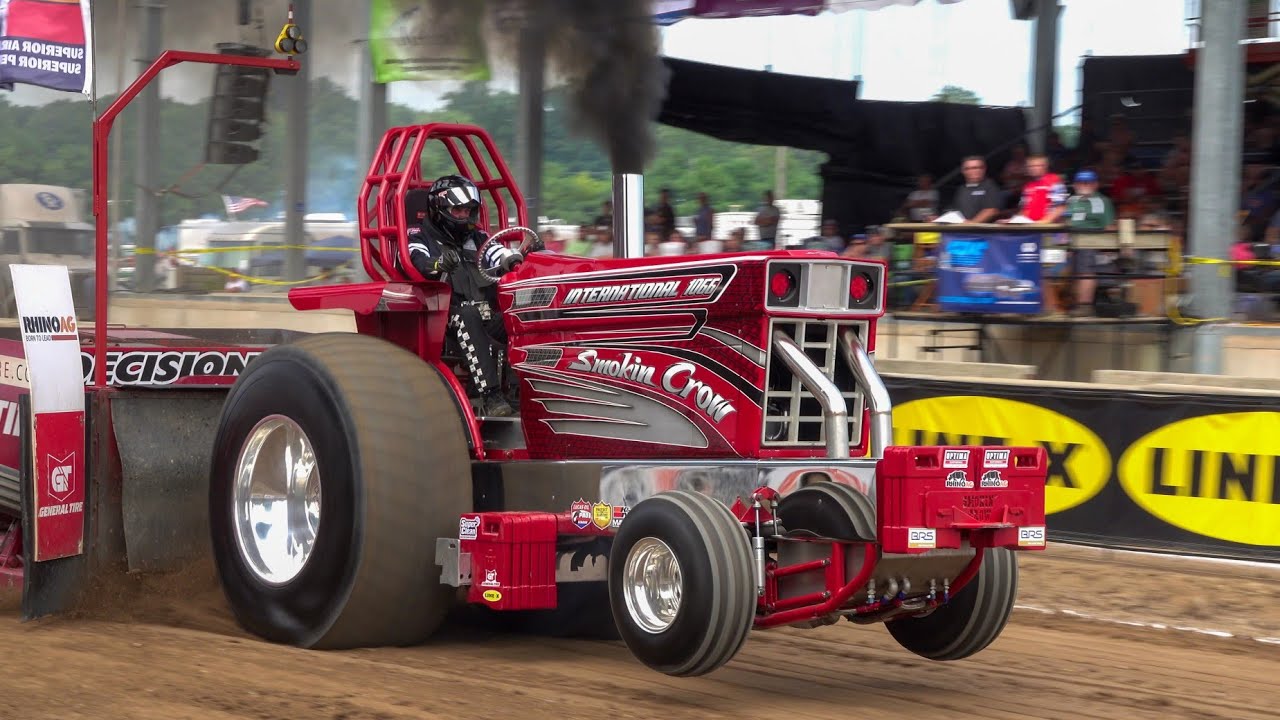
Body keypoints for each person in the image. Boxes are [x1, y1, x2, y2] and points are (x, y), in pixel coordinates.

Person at [407, 175, 541, 417]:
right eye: (457, 209)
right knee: (467, 314)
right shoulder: (419, 235)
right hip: (443, 319)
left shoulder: (476, 238)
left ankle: (519, 389)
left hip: (486, 316)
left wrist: (518, 258)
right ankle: (490, 395)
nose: (463, 215)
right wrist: (438, 263)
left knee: (523, 308)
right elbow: (416, 260)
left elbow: (500, 254)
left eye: (468, 210)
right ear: (440, 209)